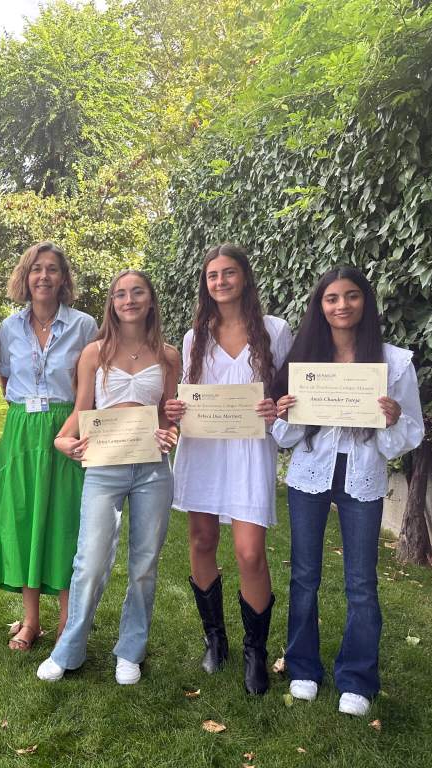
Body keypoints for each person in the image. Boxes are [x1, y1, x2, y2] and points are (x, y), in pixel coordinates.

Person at [272, 266, 424, 716]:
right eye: (332, 298)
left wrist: (392, 418)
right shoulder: (306, 359)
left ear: (366, 302)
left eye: (352, 296)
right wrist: (286, 413)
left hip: (363, 474)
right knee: (304, 575)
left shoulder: (394, 362)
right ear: (320, 306)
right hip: (310, 473)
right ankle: (302, 668)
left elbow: (412, 430)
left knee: (361, 581)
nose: (342, 306)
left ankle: (356, 678)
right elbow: (283, 436)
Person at [37, 269, 180, 684]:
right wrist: (65, 443)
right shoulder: (93, 353)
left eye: (137, 292)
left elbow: (171, 415)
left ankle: (130, 651)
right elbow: (81, 415)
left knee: (144, 563)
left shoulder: (169, 356)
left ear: (150, 300)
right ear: (112, 303)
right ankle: (70, 648)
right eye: (120, 294)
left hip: (153, 469)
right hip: (103, 466)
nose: (129, 299)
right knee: (90, 560)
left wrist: (171, 432)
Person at [163, 244, 291, 694]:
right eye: (213, 275)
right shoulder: (194, 336)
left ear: (244, 277)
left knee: (250, 552)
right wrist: (177, 408)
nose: (220, 281)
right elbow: (189, 396)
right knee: (201, 539)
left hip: (250, 450)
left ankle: (256, 650)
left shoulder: (276, 331)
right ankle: (215, 639)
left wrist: (276, 406)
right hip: (205, 449)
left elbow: (285, 393)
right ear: (206, 283)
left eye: (229, 273)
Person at [0, 242, 98, 651]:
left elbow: (93, 385)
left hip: (67, 428)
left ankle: (69, 621)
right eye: (36, 269)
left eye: (52, 269)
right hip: (21, 430)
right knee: (24, 519)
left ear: (63, 278)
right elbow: (4, 380)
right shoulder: (9, 326)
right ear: (25, 277)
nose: (44, 276)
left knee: (65, 521)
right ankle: (31, 622)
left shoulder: (85, 326)